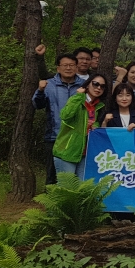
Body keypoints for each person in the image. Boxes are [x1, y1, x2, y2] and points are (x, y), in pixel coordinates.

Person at [33, 53, 84, 185]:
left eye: (72, 65)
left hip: (77, 138)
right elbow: (37, 105)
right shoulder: (49, 84)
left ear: (76, 68)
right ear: (58, 68)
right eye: (65, 65)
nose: (68, 68)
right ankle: (51, 198)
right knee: (52, 175)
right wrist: (40, 91)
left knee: (76, 177)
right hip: (54, 136)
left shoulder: (84, 86)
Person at [53, 72, 108, 178]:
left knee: (83, 186)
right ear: (87, 84)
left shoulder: (98, 106)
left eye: (102, 86)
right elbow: (65, 115)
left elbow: (93, 122)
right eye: (95, 84)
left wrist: (95, 125)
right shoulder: (76, 99)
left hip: (85, 153)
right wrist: (79, 96)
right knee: (68, 187)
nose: (98, 88)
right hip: (67, 151)